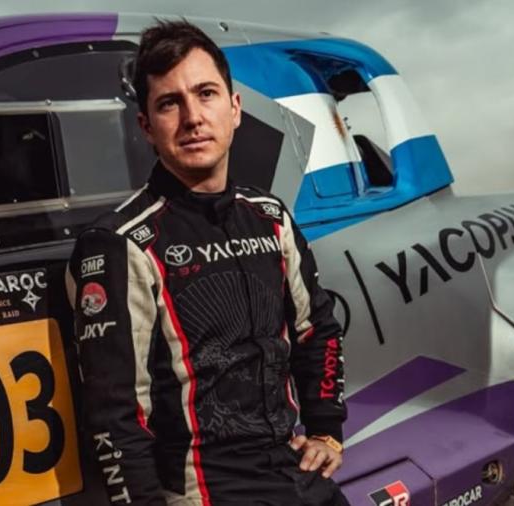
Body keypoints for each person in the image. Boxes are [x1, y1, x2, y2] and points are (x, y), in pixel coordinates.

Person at [66, 19, 348, 506]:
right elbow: (115, 413)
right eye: (169, 104)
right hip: (206, 491)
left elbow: (316, 329)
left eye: (206, 94)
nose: (193, 117)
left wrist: (326, 429)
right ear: (146, 127)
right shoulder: (119, 244)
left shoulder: (270, 217)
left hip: (295, 471)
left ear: (235, 109)